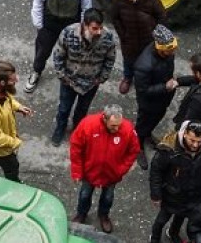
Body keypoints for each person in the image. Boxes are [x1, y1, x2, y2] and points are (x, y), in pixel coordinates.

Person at [147, 121, 201, 243]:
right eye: (192, 140)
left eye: (198, 141)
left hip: (194, 193)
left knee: (182, 216)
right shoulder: (168, 149)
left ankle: (173, 232)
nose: (195, 145)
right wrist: (156, 195)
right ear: (184, 133)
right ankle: (155, 238)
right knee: (162, 219)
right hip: (172, 193)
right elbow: (156, 172)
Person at [49, 9, 120, 143]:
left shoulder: (108, 37)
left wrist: (102, 78)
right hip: (69, 81)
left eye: (100, 27)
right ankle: (60, 129)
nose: (98, 31)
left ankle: (78, 131)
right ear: (85, 25)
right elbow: (58, 55)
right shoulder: (68, 33)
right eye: (94, 28)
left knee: (82, 110)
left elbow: (110, 59)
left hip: (91, 83)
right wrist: (62, 75)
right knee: (64, 108)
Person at [71, 105, 140, 230]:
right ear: (104, 118)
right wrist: (77, 171)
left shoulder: (128, 129)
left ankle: (104, 216)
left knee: (108, 197)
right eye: (113, 125)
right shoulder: (87, 125)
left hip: (112, 174)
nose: (117, 128)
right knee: (85, 195)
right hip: (89, 172)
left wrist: (121, 169)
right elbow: (76, 148)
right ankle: (81, 214)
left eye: (119, 125)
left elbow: (134, 151)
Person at [132, 27, 181, 168]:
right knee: (142, 124)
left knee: (155, 119)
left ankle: (147, 134)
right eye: (169, 50)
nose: (172, 52)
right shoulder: (144, 65)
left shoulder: (168, 54)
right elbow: (143, 89)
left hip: (163, 98)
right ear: (159, 47)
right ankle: (137, 146)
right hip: (149, 102)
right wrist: (165, 87)